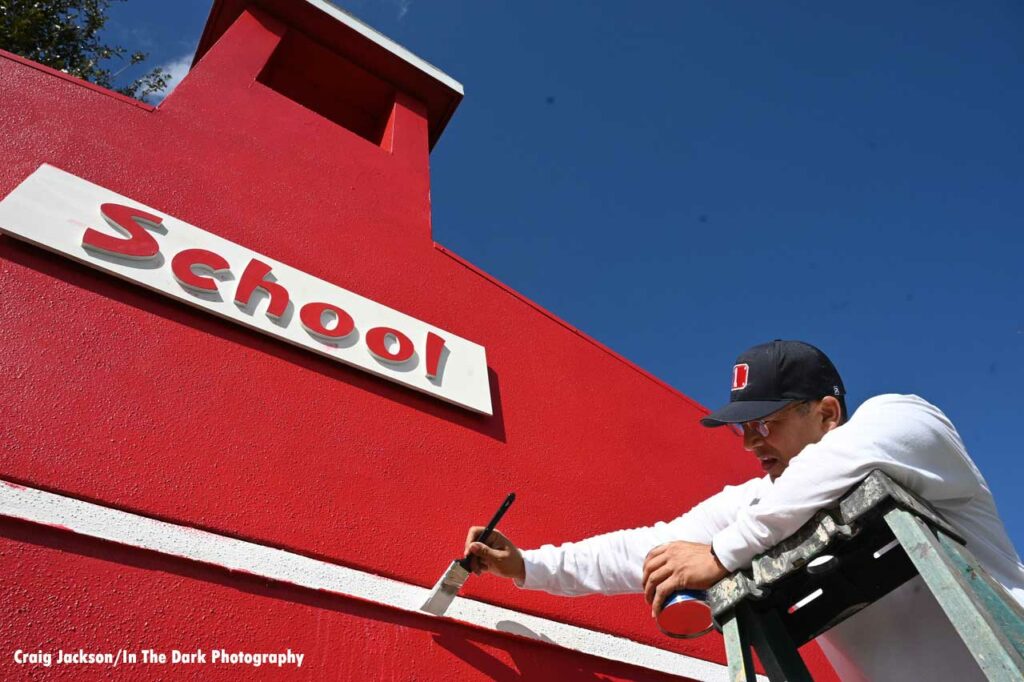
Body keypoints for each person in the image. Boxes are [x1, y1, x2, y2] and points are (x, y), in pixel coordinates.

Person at [464, 339, 1024, 681]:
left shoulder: (904, 422)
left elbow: (843, 463)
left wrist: (721, 554)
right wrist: (528, 567)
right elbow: (648, 549)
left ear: (827, 412)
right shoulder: (760, 504)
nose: (751, 442)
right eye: (742, 428)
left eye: (767, 422)